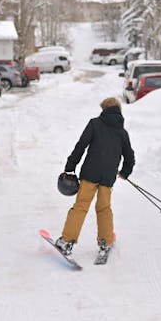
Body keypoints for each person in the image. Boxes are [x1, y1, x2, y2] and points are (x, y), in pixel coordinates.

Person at [55, 97, 135, 256]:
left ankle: (66, 241)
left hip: (90, 174)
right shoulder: (122, 132)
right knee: (104, 208)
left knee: (81, 206)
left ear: (104, 109)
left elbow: (81, 145)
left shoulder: (95, 124)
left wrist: (70, 167)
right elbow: (129, 156)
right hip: (107, 177)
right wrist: (125, 172)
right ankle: (105, 242)